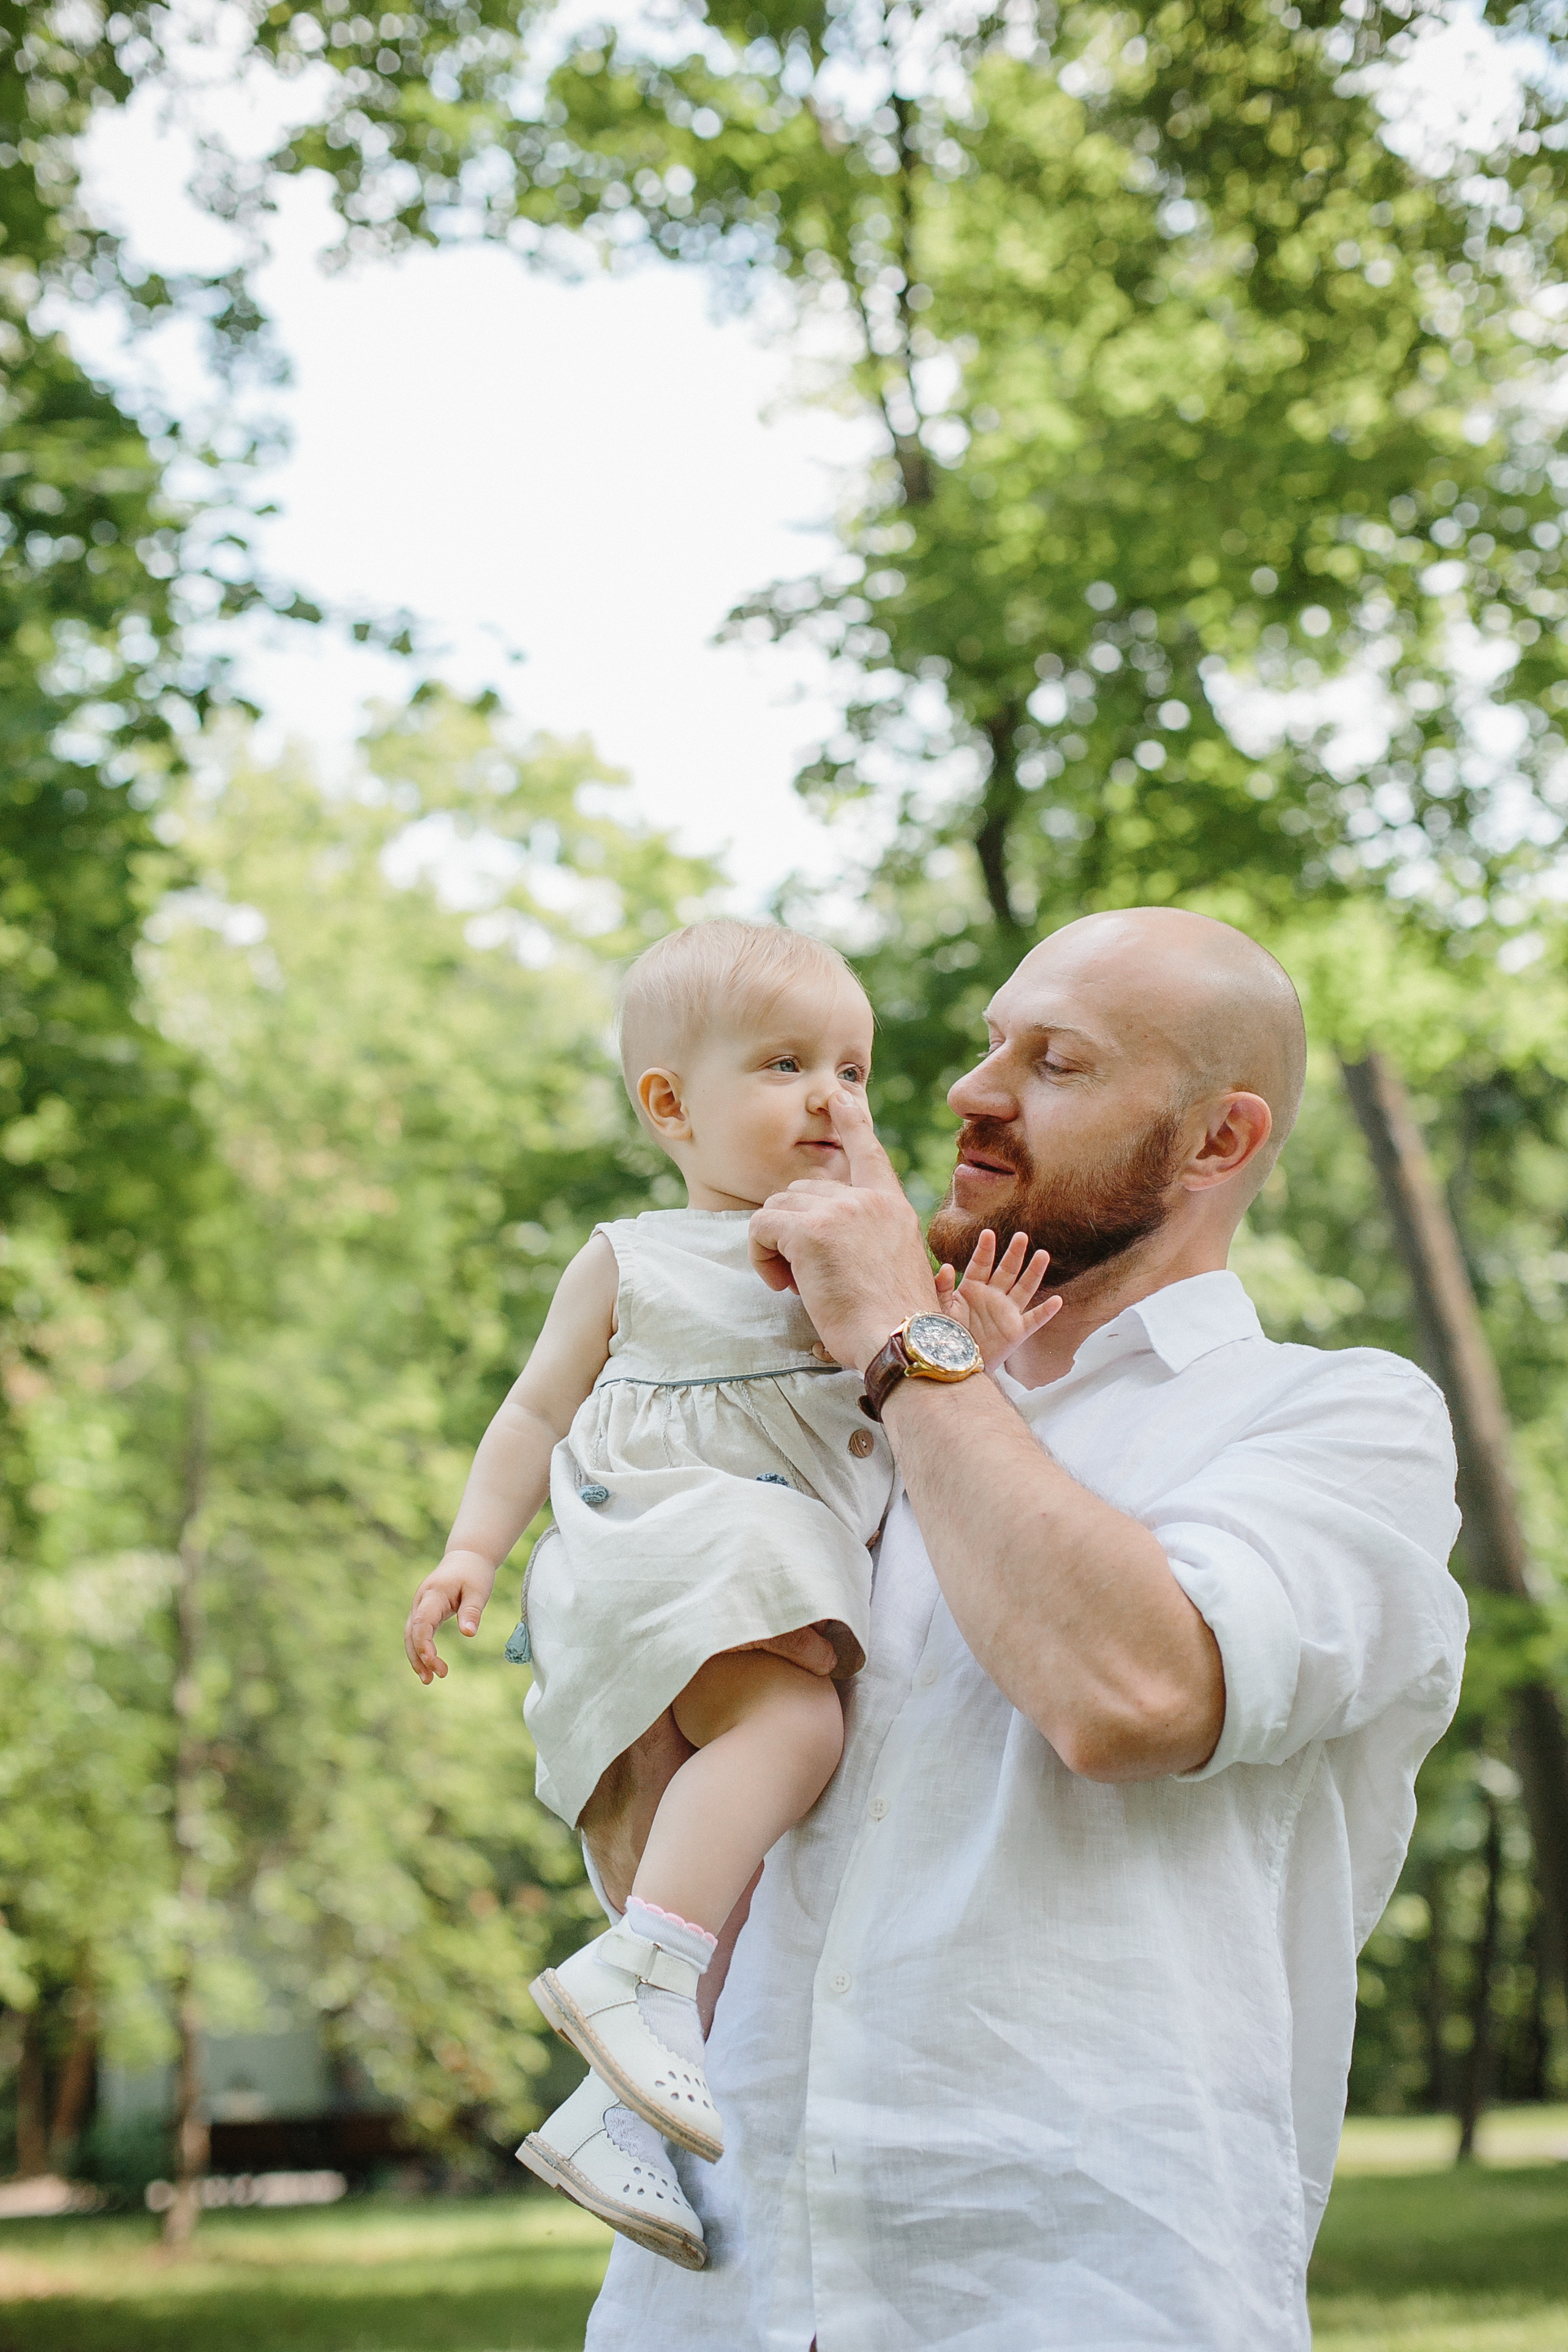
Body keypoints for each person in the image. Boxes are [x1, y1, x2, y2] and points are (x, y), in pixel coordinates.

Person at [582, 905, 1468, 2352]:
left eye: (1053, 1061)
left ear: (1216, 1141)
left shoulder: (1334, 1418)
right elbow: (647, 1862)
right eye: (990, 1043)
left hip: (1075, 2293)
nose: (969, 1092)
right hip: (719, 2299)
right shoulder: (821, 1436)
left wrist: (899, 1337)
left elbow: (1132, 1696)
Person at [403, 920, 1054, 2270]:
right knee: (797, 1733)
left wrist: (966, 1338)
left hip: (742, 1569)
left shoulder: (857, 1261)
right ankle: (632, 1969)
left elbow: (911, 1380)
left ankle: (614, 2108)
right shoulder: (633, 1259)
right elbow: (533, 1410)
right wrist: (470, 1551)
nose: (833, 1097)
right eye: (782, 1063)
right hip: (670, 1545)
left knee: (736, 1871)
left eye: (854, 1069)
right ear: (668, 1104)